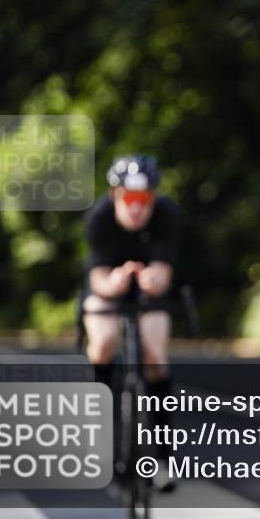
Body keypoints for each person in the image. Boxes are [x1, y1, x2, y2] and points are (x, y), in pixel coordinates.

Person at [82, 154, 182, 490]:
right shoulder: (99, 218)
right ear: (116, 196)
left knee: (154, 356)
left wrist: (151, 279)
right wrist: (115, 282)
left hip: (150, 294)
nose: (137, 207)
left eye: (145, 199)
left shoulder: (167, 216)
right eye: (130, 198)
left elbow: (164, 275)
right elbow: (96, 279)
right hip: (109, 289)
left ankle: (164, 456)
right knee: (103, 343)